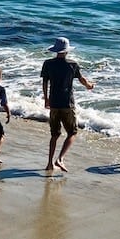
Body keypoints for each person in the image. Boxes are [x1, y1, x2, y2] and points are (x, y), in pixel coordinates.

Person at [40, 37, 94, 172]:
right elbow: (82, 80)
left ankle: (49, 163)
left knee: (54, 134)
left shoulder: (48, 64)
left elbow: (45, 82)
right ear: (67, 51)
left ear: (56, 50)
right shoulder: (72, 64)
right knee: (72, 132)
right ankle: (60, 159)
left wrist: (46, 99)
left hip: (54, 103)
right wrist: (89, 86)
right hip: (67, 103)